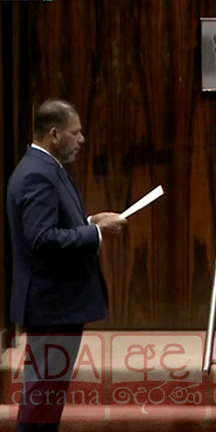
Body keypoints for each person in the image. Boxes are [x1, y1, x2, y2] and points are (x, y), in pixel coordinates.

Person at [6, 99, 127, 430]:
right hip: (52, 304)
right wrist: (96, 234)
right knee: (43, 397)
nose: (82, 139)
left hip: (57, 304)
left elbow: (50, 226)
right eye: (76, 133)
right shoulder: (37, 174)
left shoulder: (46, 168)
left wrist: (89, 222)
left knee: (48, 395)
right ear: (54, 134)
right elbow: (42, 239)